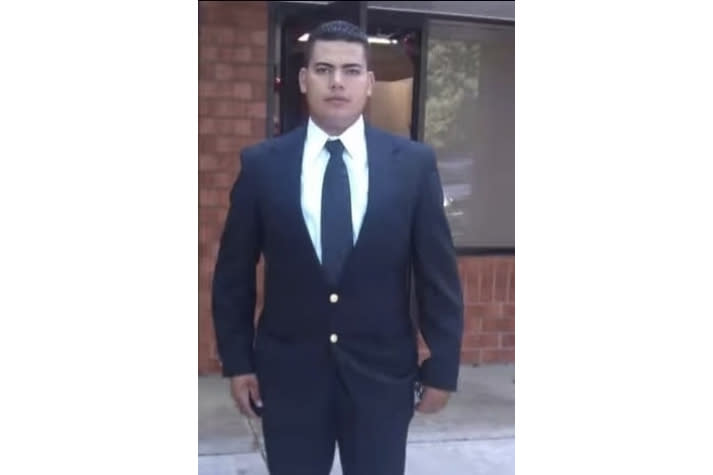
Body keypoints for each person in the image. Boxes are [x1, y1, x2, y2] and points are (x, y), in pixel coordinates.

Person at [212, 20, 463, 475]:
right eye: (324, 69)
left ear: (369, 82)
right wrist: (237, 361)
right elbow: (233, 274)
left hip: (382, 379)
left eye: (351, 70)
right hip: (288, 378)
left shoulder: (412, 165)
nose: (337, 82)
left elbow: (437, 275)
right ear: (304, 80)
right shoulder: (262, 166)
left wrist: (443, 366)